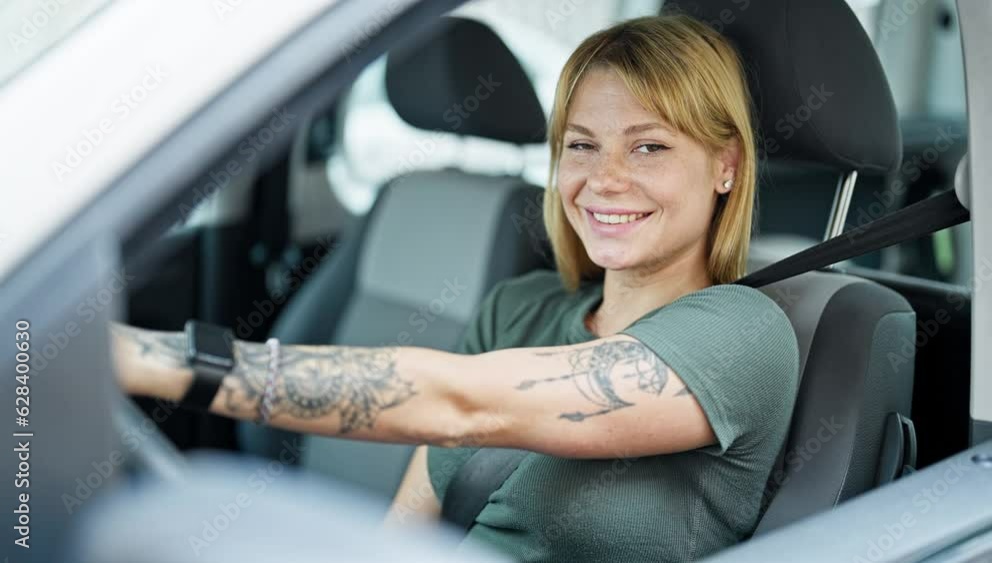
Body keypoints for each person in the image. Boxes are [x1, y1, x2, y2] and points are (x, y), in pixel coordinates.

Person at [111, 14, 799, 563]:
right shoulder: (517, 308)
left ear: (726, 166)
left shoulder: (742, 333)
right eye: (582, 145)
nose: (605, 178)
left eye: (649, 147)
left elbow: (456, 403)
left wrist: (162, 362)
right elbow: (411, 524)